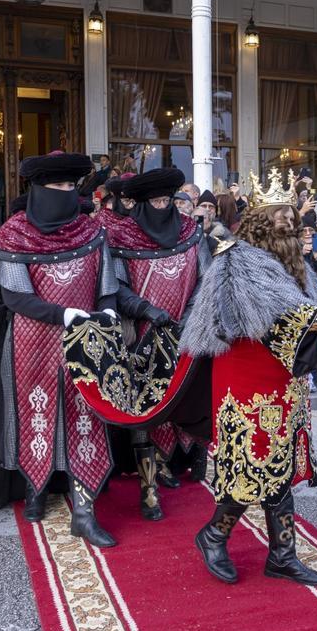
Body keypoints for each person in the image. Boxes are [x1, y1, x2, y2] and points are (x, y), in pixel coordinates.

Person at [180, 167, 317, 587]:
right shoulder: (239, 260)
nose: (290, 222)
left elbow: (302, 311)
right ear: (259, 222)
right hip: (247, 378)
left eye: (291, 214)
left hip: (283, 378)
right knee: (252, 460)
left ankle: (282, 554)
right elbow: (282, 316)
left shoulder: (294, 262)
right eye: (280, 216)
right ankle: (213, 535)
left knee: (279, 463)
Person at [0, 152, 121, 548]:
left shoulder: (92, 232)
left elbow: (107, 284)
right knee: (35, 414)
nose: (65, 193)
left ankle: (84, 510)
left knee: (86, 417)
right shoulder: (13, 235)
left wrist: (107, 312)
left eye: (70, 187)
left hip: (85, 340)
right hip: (33, 340)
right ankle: (35, 489)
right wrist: (66, 315)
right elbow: (15, 297)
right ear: (39, 189)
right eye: (57, 187)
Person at [108, 167, 211, 521]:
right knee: (143, 409)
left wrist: (194, 312)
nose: (163, 206)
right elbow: (115, 288)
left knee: (186, 398)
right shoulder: (121, 236)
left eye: (168, 200)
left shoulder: (191, 232)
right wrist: (147, 309)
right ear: (141, 204)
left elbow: (205, 278)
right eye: (156, 201)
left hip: (185, 331)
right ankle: (148, 488)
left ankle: (179, 462)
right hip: (141, 335)